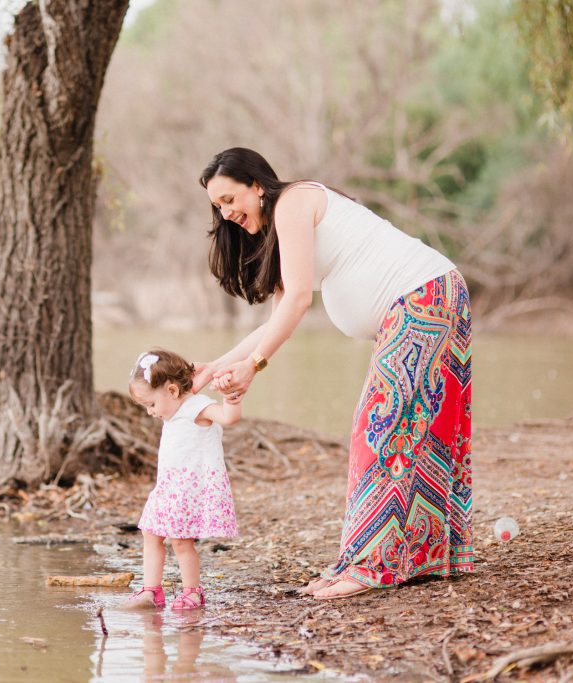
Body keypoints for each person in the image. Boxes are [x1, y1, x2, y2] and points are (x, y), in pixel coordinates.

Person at [194, 147, 473, 600]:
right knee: (419, 430)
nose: (226, 214)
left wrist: (255, 366)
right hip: (425, 298)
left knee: (379, 429)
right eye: (218, 207)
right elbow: (279, 315)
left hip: (423, 297)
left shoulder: (294, 202)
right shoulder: (281, 230)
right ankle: (419, 557)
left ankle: (368, 567)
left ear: (257, 185)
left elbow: (301, 299)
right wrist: (217, 367)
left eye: (230, 199)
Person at [122, 349, 242, 611]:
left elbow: (229, 417)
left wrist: (231, 397)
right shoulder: (172, 410)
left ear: (173, 391)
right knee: (150, 533)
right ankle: (152, 590)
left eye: (151, 405)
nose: (150, 413)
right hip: (168, 487)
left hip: (189, 489)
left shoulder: (196, 407)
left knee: (180, 541)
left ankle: (193, 592)